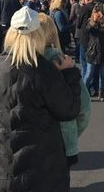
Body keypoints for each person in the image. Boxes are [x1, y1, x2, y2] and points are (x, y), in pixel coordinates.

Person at [0, 7, 81, 192]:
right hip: (41, 163)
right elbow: (69, 110)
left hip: (1, 159)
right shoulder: (45, 70)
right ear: (38, 35)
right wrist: (70, 73)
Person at [39, 13, 91, 167]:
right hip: (62, 139)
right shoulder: (61, 61)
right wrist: (72, 134)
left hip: (30, 142)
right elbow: (84, 109)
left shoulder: (21, 61)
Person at [84, 3, 104, 101]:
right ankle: (83, 92)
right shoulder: (91, 21)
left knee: (103, 74)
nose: (97, 13)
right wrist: (93, 21)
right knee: (89, 73)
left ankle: (101, 93)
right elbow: (87, 31)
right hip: (93, 49)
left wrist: (103, 20)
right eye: (96, 11)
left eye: (99, 12)